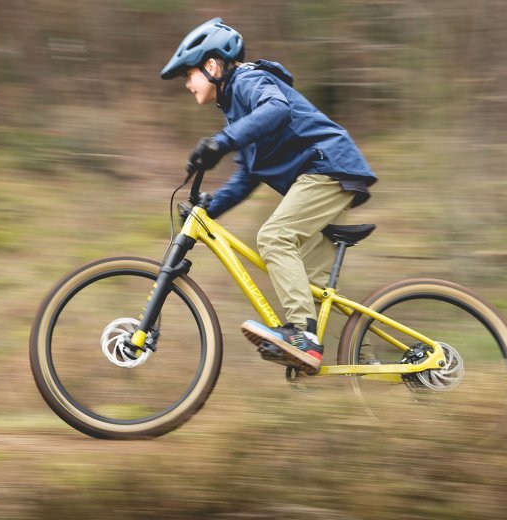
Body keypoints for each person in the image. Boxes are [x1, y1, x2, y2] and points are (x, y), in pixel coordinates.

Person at [161, 18, 377, 372]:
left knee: (275, 238)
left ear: (212, 66)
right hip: (330, 174)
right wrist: (209, 208)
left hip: (327, 168)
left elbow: (277, 110)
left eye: (189, 74)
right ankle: (364, 362)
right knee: (309, 289)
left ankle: (301, 337)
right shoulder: (236, 110)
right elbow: (247, 175)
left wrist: (221, 142)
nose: (187, 84)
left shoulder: (248, 80)